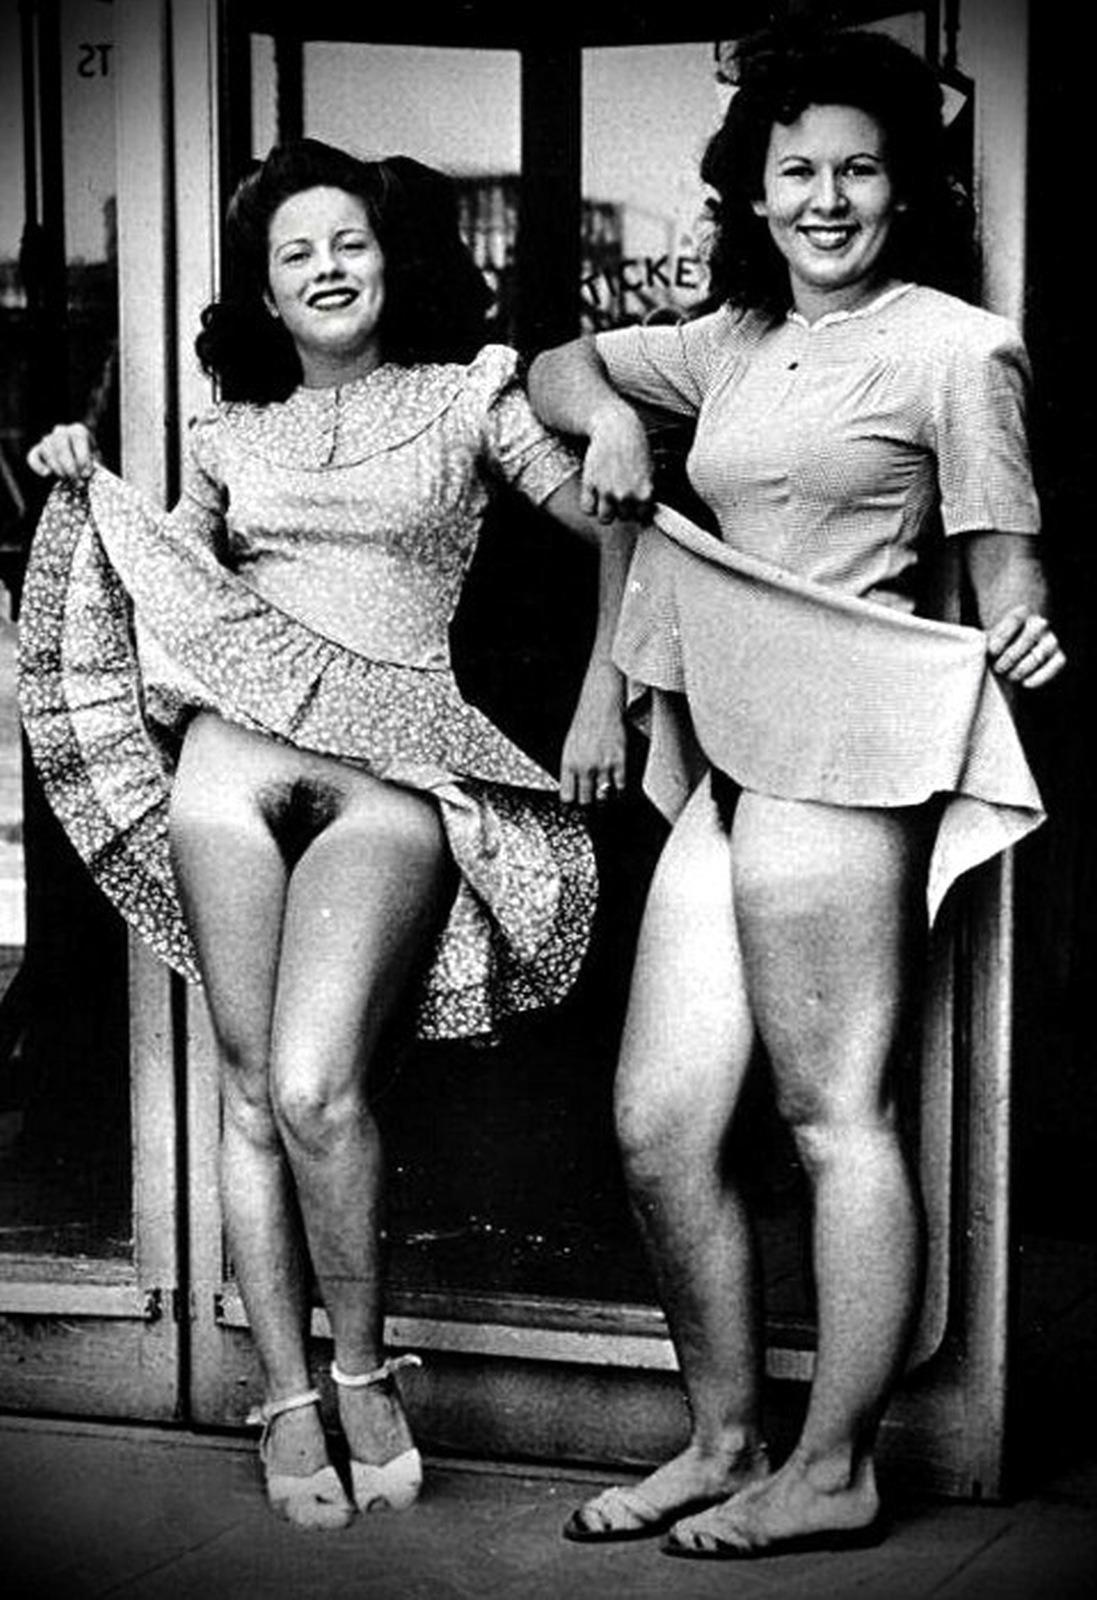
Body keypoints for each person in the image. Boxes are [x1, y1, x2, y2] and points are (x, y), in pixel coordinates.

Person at [21, 140, 630, 1532]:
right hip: (231, 765)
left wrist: (603, 686)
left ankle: (362, 1368)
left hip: (399, 759)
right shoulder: (226, 436)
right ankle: (285, 1395)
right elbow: (171, 582)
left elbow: (615, 527)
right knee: (247, 1090)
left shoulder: (468, 395)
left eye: (348, 241)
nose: (327, 268)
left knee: (315, 1088)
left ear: (389, 259)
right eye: (296, 253)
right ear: (267, 294)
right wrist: (79, 475)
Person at [528, 24, 1064, 1560]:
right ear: (752, 193)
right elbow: (556, 367)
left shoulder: (958, 347)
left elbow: (1002, 559)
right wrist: (615, 416)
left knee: (832, 1119)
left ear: (903, 191)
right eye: (796, 172)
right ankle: (721, 1441)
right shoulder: (727, 340)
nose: (825, 199)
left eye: (857, 171)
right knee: (658, 1125)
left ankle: (833, 1468)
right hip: (727, 751)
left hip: (844, 748)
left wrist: (1023, 626)